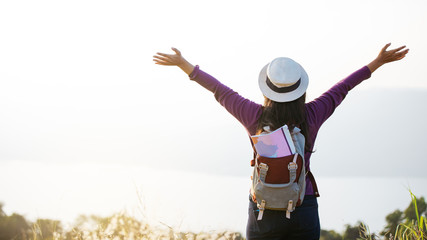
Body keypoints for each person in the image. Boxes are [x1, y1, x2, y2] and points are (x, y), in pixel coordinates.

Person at [153, 43, 409, 240]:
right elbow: (343, 88)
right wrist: (377, 62)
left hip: (262, 210)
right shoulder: (312, 114)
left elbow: (220, 90)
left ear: (267, 88)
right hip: (302, 205)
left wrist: (183, 63)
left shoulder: (253, 115)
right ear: (301, 89)